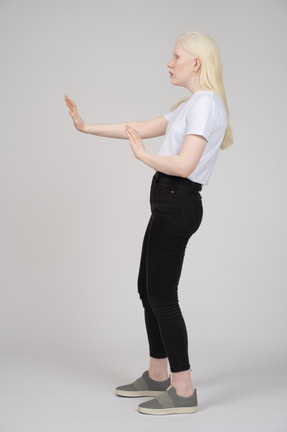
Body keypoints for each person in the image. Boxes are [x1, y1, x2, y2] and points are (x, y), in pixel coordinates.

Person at [65, 30, 233, 415]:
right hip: (169, 203)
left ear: (197, 63)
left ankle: (183, 388)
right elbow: (135, 127)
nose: (169, 63)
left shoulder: (206, 104)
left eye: (176, 56)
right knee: (147, 288)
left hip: (178, 201)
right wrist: (85, 126)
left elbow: (185, 165)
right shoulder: (191, 104)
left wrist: (143, 157)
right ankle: (158, 374)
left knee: (162, 294)